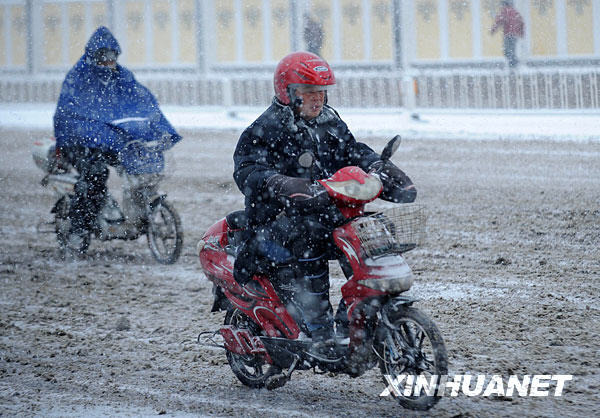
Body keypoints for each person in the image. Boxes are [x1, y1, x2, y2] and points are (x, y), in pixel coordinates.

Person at [232, 51, 416, 357]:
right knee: (310, 238)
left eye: (321, 92)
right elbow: (247, 171)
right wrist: (280, 183)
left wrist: (381, 169)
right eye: (309, 93)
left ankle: (352, 318)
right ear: (288, 93)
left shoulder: (329, 122)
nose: (318, 100)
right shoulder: (264, 129)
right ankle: (318, 330)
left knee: (370, 232)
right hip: (277, 222)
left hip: (325, 212)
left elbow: (352, 151)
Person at [53, 26, 180, 256]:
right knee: (95, 174)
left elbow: (143, 104)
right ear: (93, 56)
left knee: (137, 165)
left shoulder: (123, 78)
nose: (108, 63)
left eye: (112, 58)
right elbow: (72, 115)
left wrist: (158, 129)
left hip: (110, 141)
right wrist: (94, 134)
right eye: (103, 58)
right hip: (79, 143)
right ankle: (79, 228)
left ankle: (131, 217)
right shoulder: (79, 78)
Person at [490, 0, 525, 68]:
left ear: (504, 4)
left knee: (507, 51)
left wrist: (493, 30)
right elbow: (521, 22)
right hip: (514, 35)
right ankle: (513, 63)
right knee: (512, 50)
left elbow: (499, 21)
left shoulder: (505, 11)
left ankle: (513, 64)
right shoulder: (515, 12)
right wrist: (521, 33)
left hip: (508, 34)